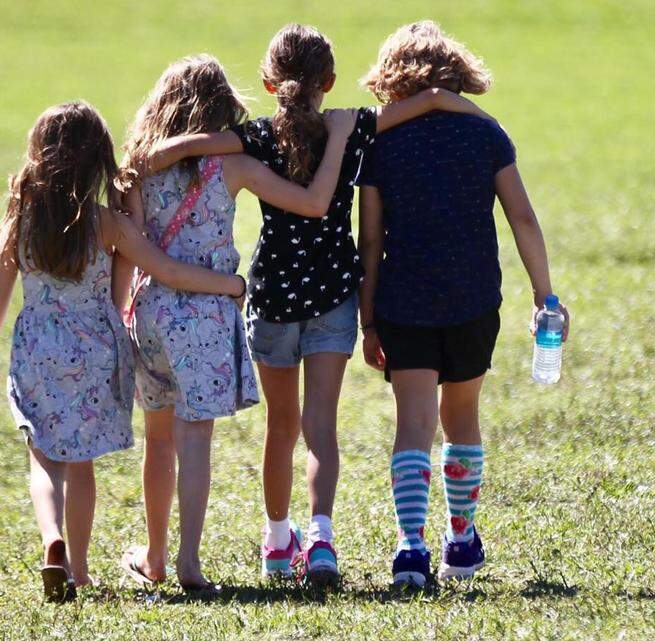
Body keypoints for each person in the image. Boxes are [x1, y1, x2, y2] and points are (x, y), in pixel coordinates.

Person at [143, 24, 496, 584]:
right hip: (333, 297)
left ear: (267, 80)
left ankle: (279, 543)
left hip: (273, 300)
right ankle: (322, 540)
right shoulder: (351, 127)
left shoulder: (255, 136)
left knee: (279, 428)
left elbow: (193, 146)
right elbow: (429, 100)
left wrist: (151, 155)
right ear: (329, 81)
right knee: (320, 428)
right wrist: (477, 117)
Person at [0, 101, 245, 602]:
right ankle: (77, 570)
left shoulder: (21, 218)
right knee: (81, 464)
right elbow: (169, 272)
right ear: (97, 161)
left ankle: (50, 538)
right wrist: (229, 283)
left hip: (38, 348)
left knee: (44, 459)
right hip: (97, 348)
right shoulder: (109, 225)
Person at [115, 54, 358, 593]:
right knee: (194, 439)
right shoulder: (235, 167)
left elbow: (128, 251)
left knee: (158, 441)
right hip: (203, 317)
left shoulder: (136, 167)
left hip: (149, 311)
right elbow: (314, 203)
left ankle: (154, 558)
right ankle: (189, 565)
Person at [357, 21, 570, 586]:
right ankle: (460, 540)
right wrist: (545, 294)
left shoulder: (380, 141)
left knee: (414, 424)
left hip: (403, 300)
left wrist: (368, 317)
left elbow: (372, 238)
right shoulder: (486, 134)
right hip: (474, 298)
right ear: (458, 75)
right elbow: (522, 217)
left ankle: (409, 548)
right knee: (461, 417)